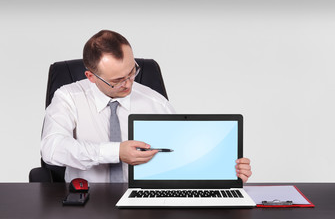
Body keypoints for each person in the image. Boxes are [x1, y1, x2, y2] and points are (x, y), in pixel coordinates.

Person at [41, 30, 252, 183]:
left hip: (145, 201)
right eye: (117, 80)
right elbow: (52, 149)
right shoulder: (68, 97)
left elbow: (181, 156)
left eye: (132, 72)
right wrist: (116, 152)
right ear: (91, 77)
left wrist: (227, 173)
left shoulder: (155, 102)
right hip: (87, 199)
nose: (128, 83)